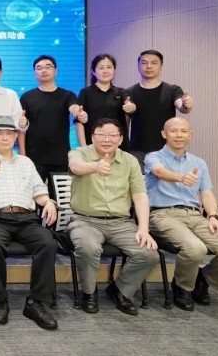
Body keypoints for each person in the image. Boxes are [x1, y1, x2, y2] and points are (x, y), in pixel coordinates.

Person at [145, 117, 218, 311]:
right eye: (174, 131)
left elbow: (207, 193)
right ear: (164, 134)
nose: (179, 135)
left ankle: (203, 280)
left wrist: (213, 216)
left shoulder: (199, 163)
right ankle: (183, 287)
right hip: (162, 215)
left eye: (184, 131)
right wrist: (181, 177)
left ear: (190, 135)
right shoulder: (154, 157)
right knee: (195, 248)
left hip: (195, 215)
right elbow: (159, 172)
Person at [0, 115, 59, 330]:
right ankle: (1, 300)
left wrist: (49, 202)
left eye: (9, 133)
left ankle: (35, 302)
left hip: (26, 218)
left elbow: (39, 191)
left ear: (16, 136)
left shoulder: (26, 162)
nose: (4, 137)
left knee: (48, 243)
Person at [68, 118, 159, 315]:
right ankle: (89, 293)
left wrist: (143, 229)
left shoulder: (130, 161)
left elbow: (140, 196)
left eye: (112, 135)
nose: (107, 139)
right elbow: (76, 167)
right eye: (101, 135)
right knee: (88, 248)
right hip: (85, 220)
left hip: (121, 223)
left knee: (149, 254)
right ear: (92, 137)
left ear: (120, 139)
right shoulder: (79, 153)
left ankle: (120, 291)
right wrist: (95, 167)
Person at [19, 55, 85, 186]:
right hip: (34, 157)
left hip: (60, 157)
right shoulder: (27, 97)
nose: (44, 70)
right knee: (34, 195)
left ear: (56, 71)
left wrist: (79, 113)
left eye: (48, 67)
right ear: (35, 74)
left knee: (60, 196)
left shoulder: (67, 95)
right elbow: (21, 127)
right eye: (39, 68)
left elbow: (74, 108)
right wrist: (22, 153)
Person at [127, 49, 193, 165]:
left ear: (161, 66)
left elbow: (182, 107)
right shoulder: (129, 92)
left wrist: (186, 104)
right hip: (137, 152)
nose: (149, 66)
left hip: (166, 150)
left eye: (154, 63)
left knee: (167, 177)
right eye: (144, 63)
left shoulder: (172, 90)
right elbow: (125, 123)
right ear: (138, 66)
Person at [76, 54, 135, 150]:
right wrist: (84, 148)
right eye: (101, 68)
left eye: (109, 67)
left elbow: (131, 106)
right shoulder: (85, 93)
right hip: (92, 146)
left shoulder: (121, 92)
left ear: (114, 70)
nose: (105, 71)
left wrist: (130, 107)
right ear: (93, 71)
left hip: (118, 146)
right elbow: (79, 122)